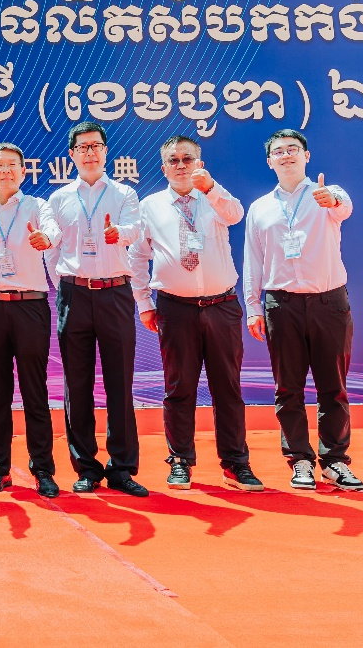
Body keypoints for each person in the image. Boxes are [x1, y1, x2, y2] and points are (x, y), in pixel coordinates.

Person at [128, 136, 263, 492]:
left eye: (187, 159)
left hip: (222, 306)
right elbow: (137, 257)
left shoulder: (214, 197)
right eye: (173, 160)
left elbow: (236, 215)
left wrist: (211, 189)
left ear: (199, 163)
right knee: (179, 388)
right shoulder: (150, 206)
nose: (181, 165)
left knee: (228, 388)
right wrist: (144, 303)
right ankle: (180, 461)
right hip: (175, 309)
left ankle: (235, 463)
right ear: (164, 168)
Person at [244, 129, 363, 491]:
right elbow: (253, 259)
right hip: (282, 305)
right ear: (270, 161)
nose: (286, 155)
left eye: (293, 149)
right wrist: (253, 306)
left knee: (333, 387)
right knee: (288, 388)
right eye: (278, 151)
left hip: (329, 302)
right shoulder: (260, 208)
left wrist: (332, 200)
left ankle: (334, 461)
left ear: (306, 156)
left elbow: (345, 207)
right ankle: (299, 460)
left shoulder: (327, 194)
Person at [49, 122, 149, 496]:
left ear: (106, 151)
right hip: (74, 295)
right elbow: (52, 249)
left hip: (115, 294)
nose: (89, 152)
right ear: (72, 155)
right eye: (82, 147)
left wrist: (117, 234)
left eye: (96, 146)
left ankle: (121, 468)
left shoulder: (124, 193)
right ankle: (86, 467)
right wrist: (66, 281)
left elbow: (134, 228)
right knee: (77, 384)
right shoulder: (59, 199)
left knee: (119, 382)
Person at [0, 143, 63, 496]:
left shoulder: (37, 206)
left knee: (35, 391)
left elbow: (53, 231)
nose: (5, 171)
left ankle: (43, 469)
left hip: (30, 306)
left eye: (12, 165)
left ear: (23, 171)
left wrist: (45, 239)